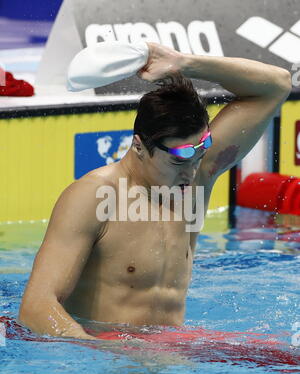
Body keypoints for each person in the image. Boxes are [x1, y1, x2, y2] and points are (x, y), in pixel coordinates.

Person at [18, 42, 291, 340]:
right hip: (103, 366)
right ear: (139, 146)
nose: (191, 172)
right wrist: (104, 351)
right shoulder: (94, 196)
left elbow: (276, 85)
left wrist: (184, 63)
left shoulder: (197, 172)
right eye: (178, 161)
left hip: (168, 367)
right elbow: (36, 307)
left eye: (199, 155)